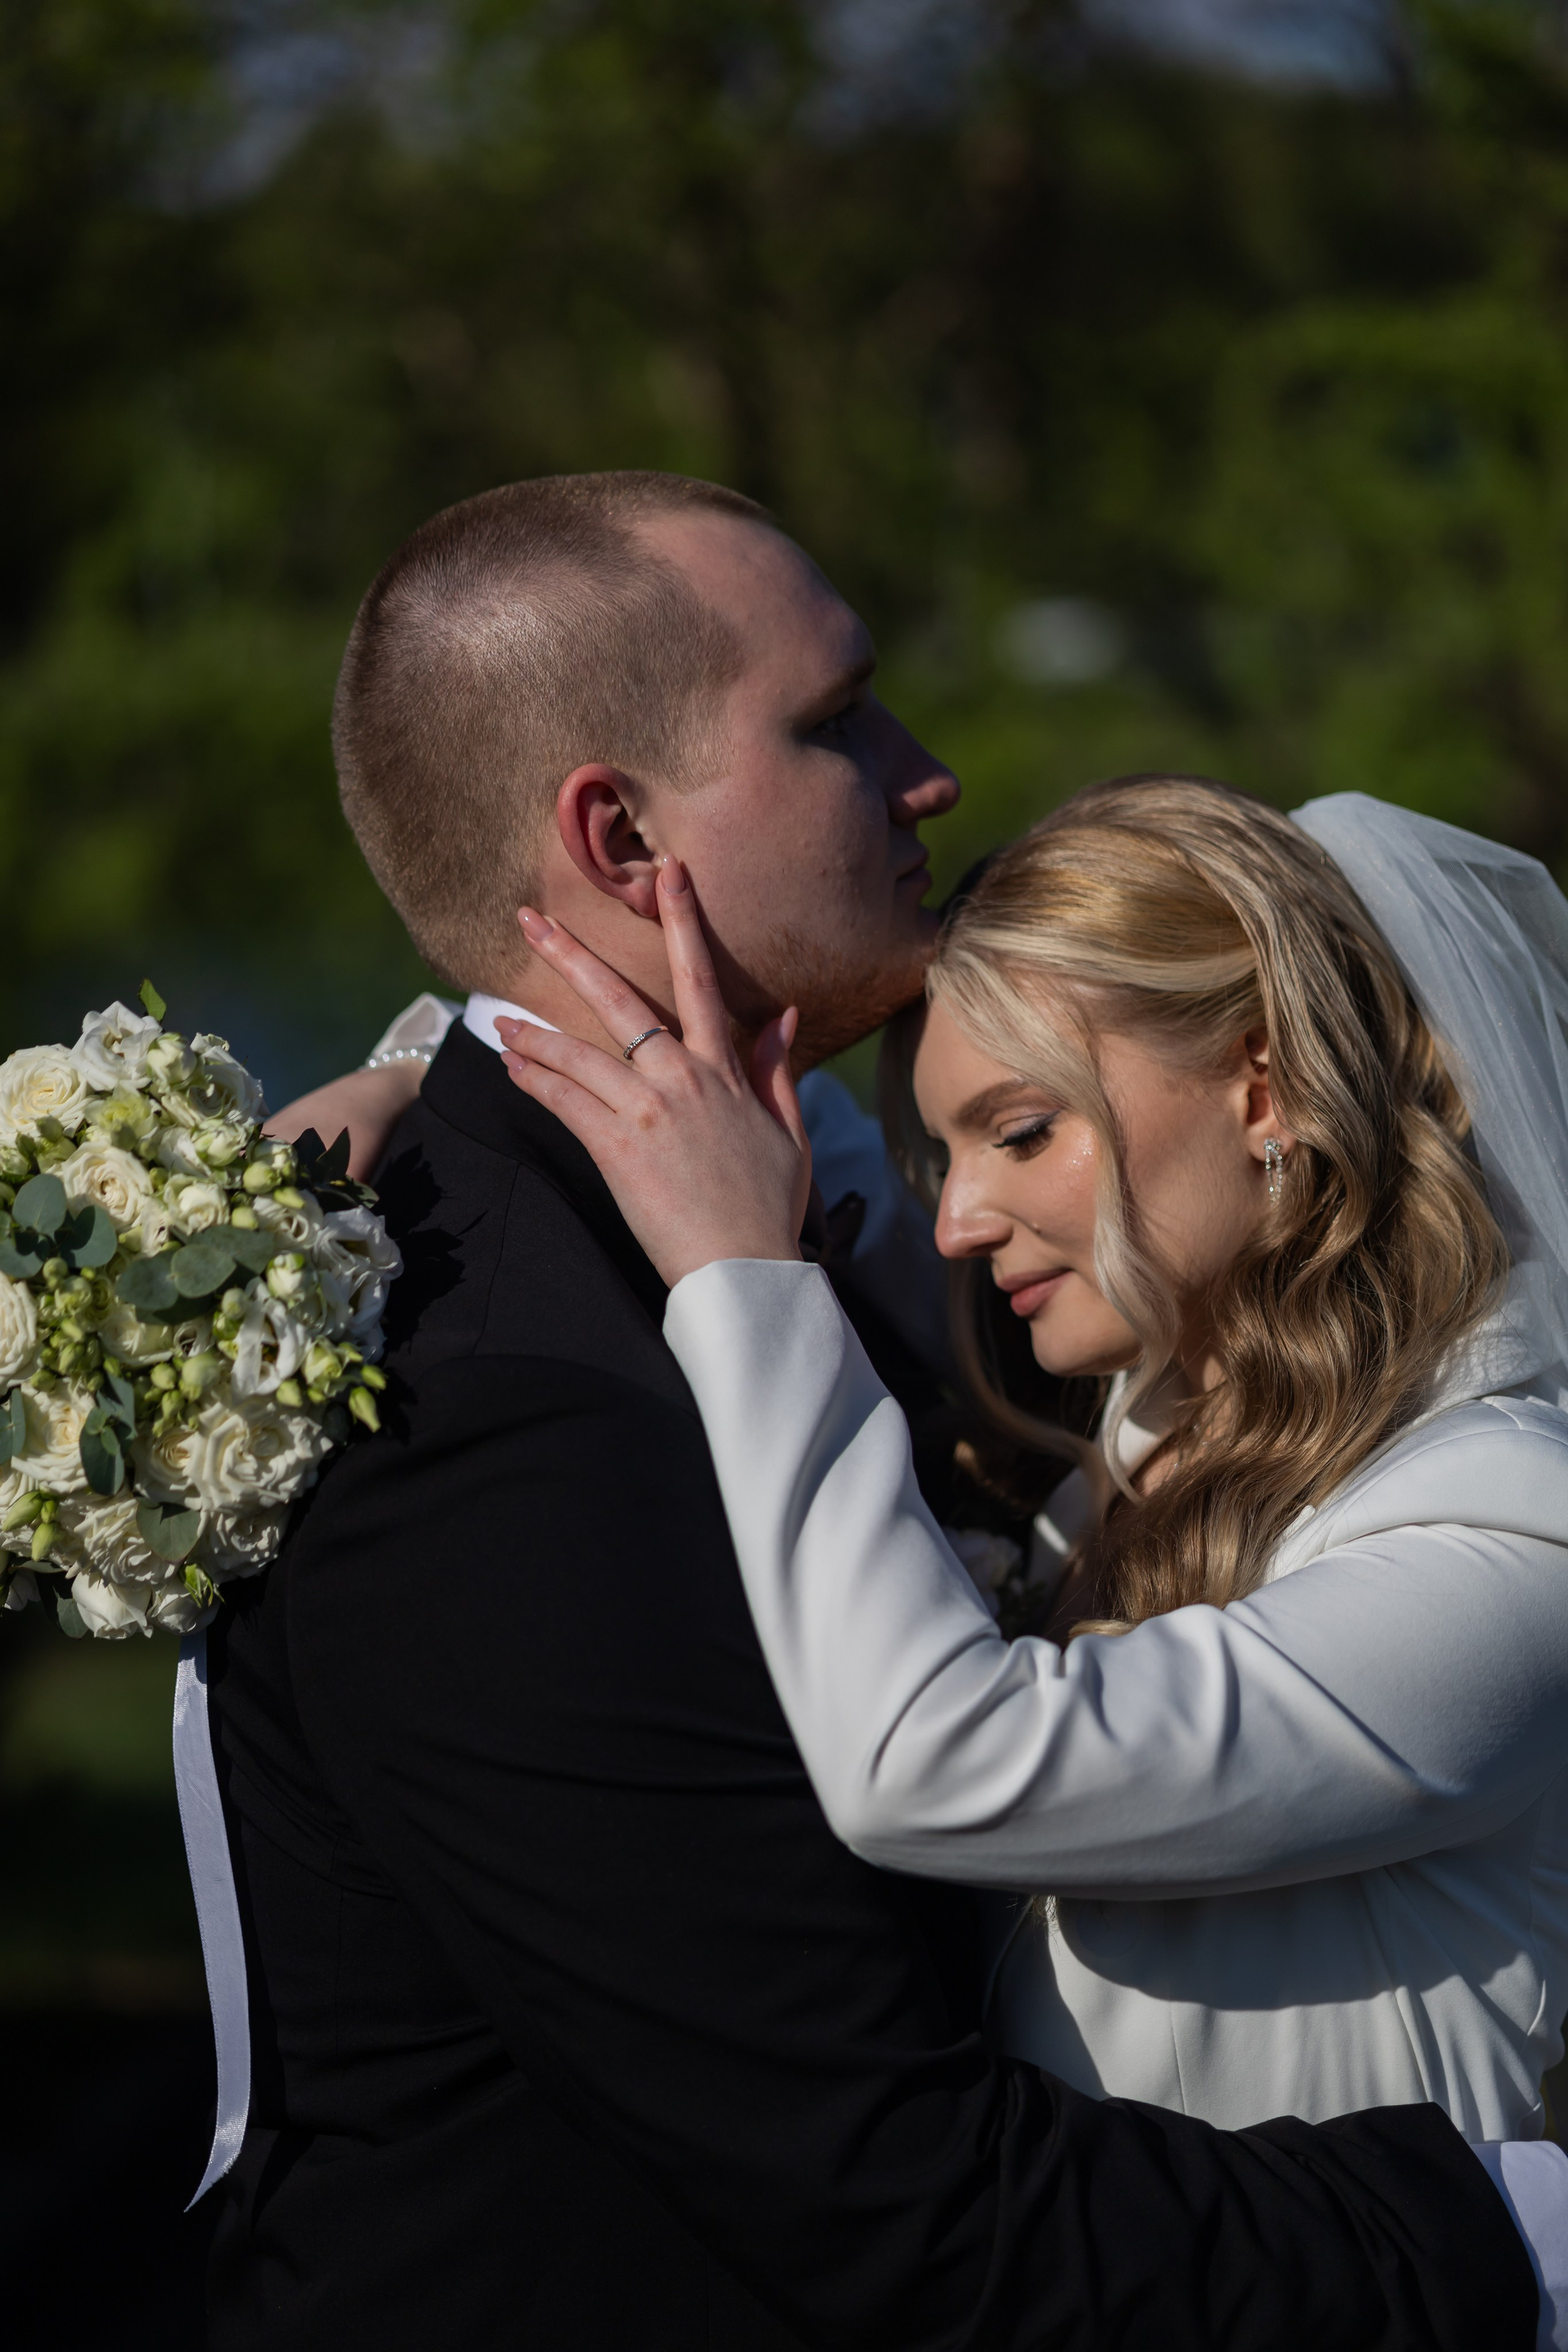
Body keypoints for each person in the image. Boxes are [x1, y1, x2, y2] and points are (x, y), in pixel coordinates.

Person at [219, 472, 1542, 2351]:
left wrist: (442, 1068)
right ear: (615, 829)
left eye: (1017, 1133)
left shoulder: (741, 1240)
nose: (926, 772)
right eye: (835, 722)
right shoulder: (525, 1400)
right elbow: (885, 2194)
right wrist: (1515, 2232)